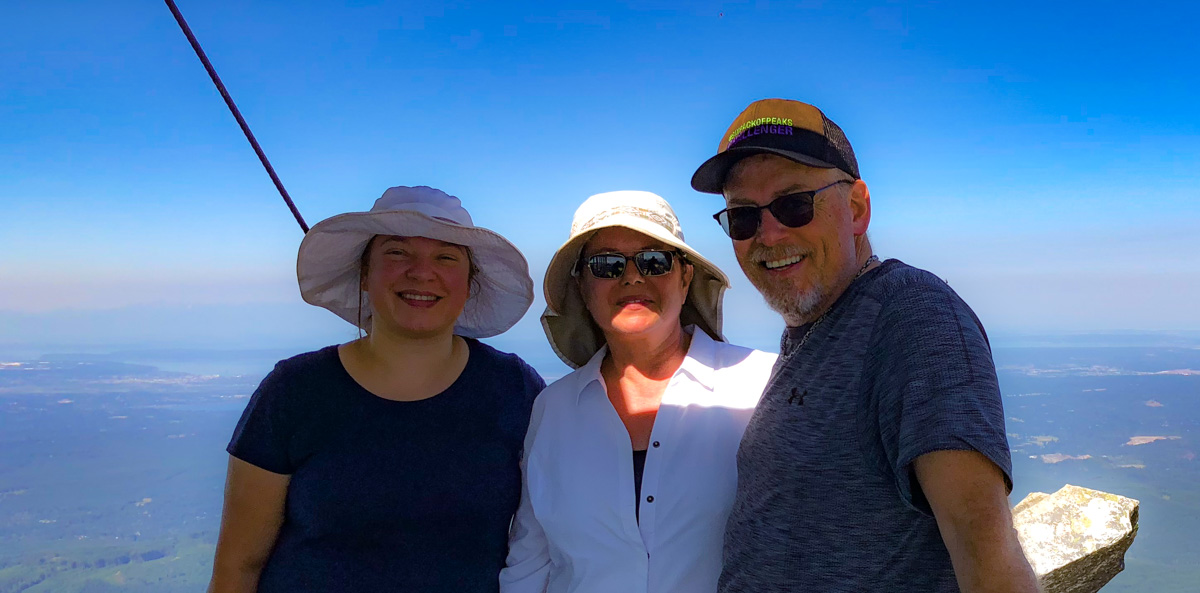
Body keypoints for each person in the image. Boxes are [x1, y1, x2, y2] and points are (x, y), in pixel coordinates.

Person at [690, 99, 1039, 593]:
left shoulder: (912, 317)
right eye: (743, 216)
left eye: (794, 204)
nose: (768, 234)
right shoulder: (815, 331)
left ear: (856, 209)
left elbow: (992, 566)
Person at [207, 186, 545, 593]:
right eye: (397, 253)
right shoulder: (294, 391)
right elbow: (238, 568)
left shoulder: (513, 389)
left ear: (469, 283)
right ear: (365, 275)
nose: (421, 272)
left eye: (446, 257)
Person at [500, 191, 777, 593]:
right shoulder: (552, 408)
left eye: (653, 260)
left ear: (685, 277)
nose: (632, 277)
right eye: (606, 264)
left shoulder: (764, 384)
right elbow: (529, 563)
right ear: (582, 286)